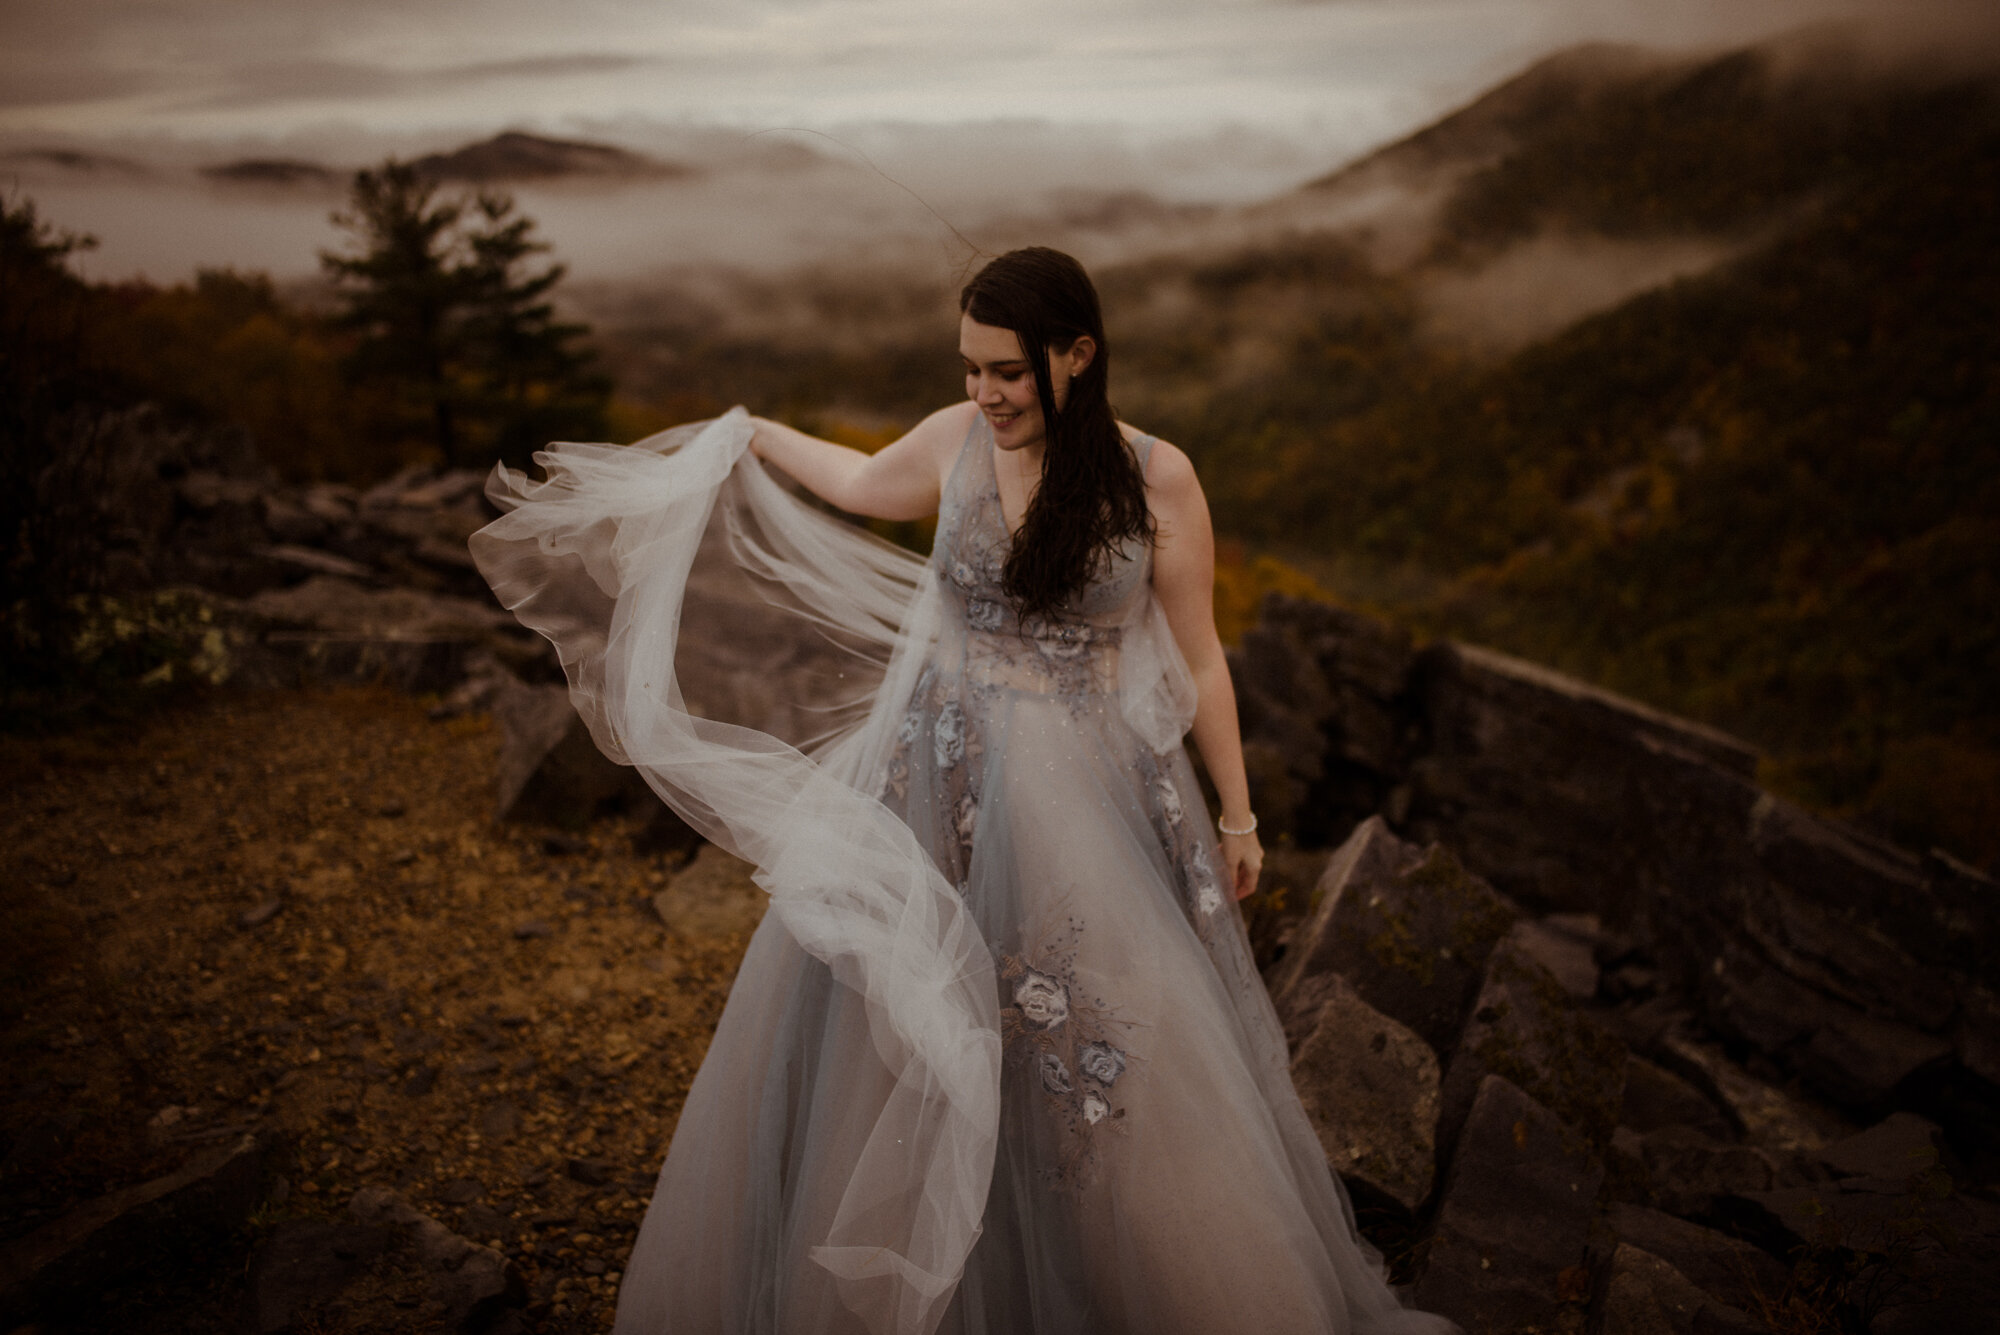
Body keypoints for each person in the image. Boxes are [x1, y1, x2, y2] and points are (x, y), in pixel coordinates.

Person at [473, 248, 1456, 1335]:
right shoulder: (954, 444)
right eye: (969, 370)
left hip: (1089, 798)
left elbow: (1202, 656)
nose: (983, 395)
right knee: (902, 1030)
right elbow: (853, 483)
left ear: (1077, 356)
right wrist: (746, 432)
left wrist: (1237, 814)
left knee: (1095, 1041)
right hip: (927, 777)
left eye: (1008, 373)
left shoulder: (1156, 478)